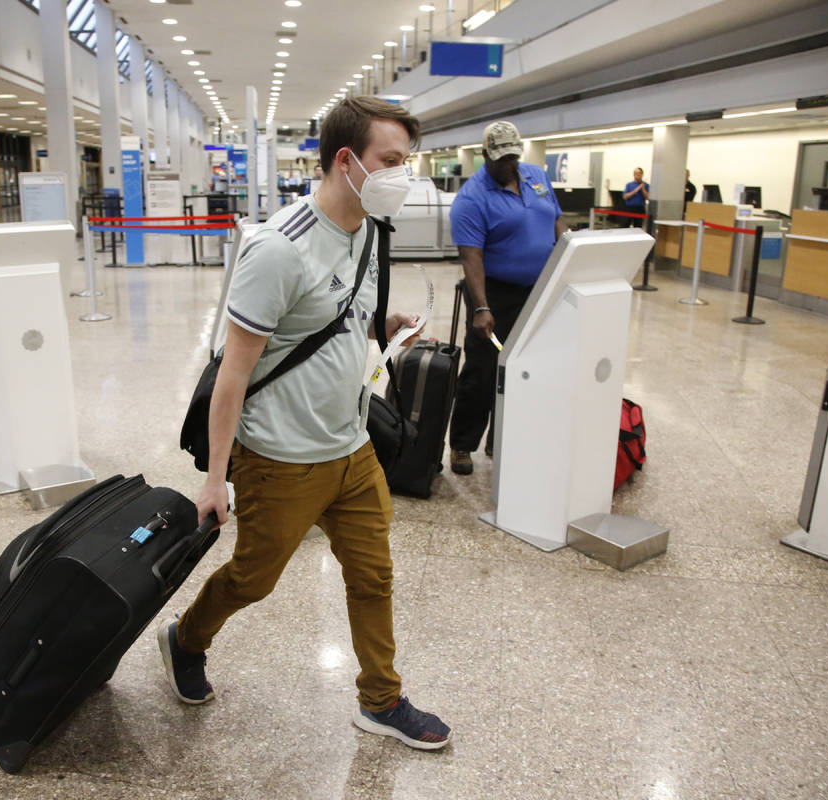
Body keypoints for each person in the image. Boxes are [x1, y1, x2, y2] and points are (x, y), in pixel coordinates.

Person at [158, 96, 452, 751]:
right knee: (252, 580)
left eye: (406, 161)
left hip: (353, 448)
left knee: (373, 577)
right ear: (346, 160)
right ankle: (186, 639)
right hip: (280, 458)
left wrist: (383, 324)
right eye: (391, 161)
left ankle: (381, 699)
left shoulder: (370, 228)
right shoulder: (277, 249)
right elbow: (233, 373)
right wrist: (215, 478)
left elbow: (340, 315)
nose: (402, 176)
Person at [447, 121, 568, 475]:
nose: (509, 164)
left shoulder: (536, 176)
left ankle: (501, 439)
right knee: (482, 370)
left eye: (513, 157)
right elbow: (471, 257)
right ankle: (462, 445)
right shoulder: (471, 198)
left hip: (538, 289)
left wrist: (568, 257)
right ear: (485, 155)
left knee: (524, 369)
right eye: (501, 159)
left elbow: (557, 221)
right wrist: (481, 307)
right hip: (493, 293)